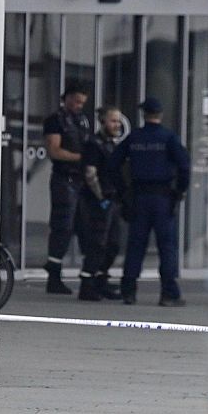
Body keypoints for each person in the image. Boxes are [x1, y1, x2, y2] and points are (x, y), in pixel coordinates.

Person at [108, 97, 191, 306]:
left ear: (144, 115)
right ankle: (168, 293)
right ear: (160, 115)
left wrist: (123, 191)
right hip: (163, 198)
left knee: (135, 246)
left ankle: (128, 291)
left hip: (139, 197)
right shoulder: (169, 138)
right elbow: (185, 166)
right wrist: (179, 191)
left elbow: (113, 164)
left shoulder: (134, 137)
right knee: (167, 246)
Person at [42, 86, 92, 294]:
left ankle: (89, 277)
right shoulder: (56, 120)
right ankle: (53, 275)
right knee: (62, 226)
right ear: (67, 98)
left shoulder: (82, 120)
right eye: (76, 101)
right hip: (65, 179)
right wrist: (81, 158)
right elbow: (54, 150)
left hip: (81, 180)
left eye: (82, 102)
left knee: (85, 226)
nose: (79, 106)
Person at [77, 105, 126, 301]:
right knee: (97, 243)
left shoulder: (111, 144)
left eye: (118, 121)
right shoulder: (94, 144)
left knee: (113, 244)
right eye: (113, 120)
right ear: (103, 121)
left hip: (111, 200)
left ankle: (100, 278)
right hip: (98, 201)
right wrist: (101, 198)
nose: (117, 124)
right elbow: (90, 174)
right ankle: (87, 283)